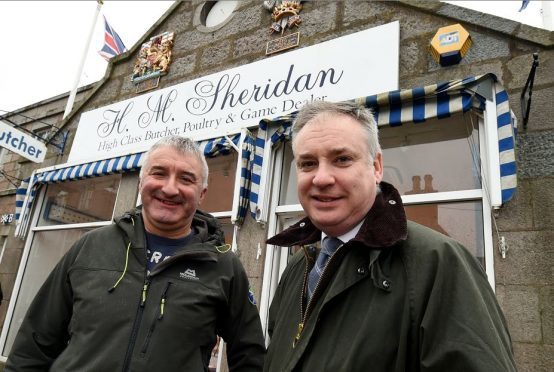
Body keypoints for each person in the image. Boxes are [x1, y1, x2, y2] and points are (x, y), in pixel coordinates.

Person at [264, 101, 517, 371]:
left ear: (376, 167)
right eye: (308, 163)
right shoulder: (297, 267)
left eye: (342, 159)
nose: (322, 178)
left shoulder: (438, 264)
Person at [6, 136, 265, 371]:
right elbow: (34, 344)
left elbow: (251, 357)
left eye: (186, 179)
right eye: (159, 173)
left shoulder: (223, 266)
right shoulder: (91, 246)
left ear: (202, 193)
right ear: (142, 182)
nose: (170, 188)